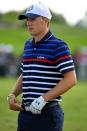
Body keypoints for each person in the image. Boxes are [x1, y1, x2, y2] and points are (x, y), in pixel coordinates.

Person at [7, 2, 77, 131]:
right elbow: (25, 74)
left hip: (48, 115)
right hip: (25, 115)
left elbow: (71, 79)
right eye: (27, 18)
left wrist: (44, 98)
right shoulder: (27, 45)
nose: (28, 22)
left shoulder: (58, 46)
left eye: (33, 18)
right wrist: (12, 95)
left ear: (45, 20)